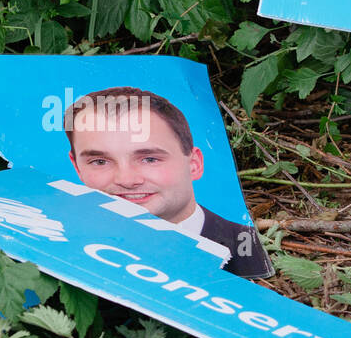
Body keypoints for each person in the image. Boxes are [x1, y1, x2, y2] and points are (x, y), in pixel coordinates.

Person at [63, 86, 273, 279]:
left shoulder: (251, 251)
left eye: (149, 159)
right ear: (77, 167)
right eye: (100, 162)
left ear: (194, 164)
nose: (126, 180)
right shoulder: (61, 249)